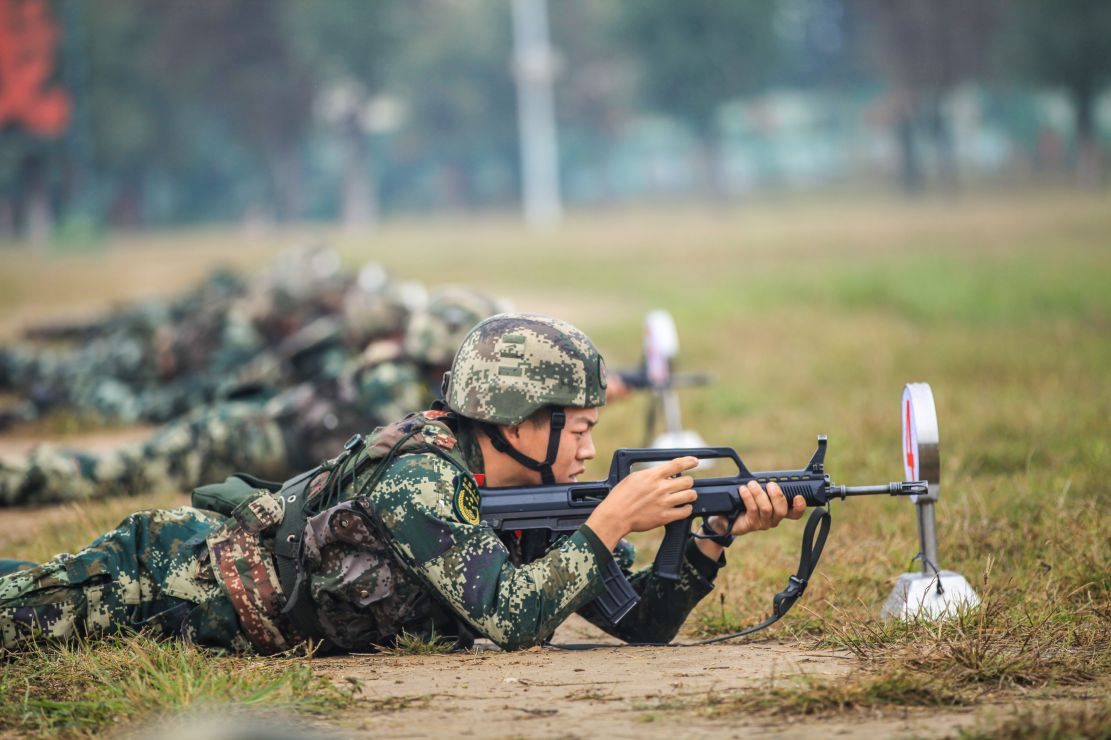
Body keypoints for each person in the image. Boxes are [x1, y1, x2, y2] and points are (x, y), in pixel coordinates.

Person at [0, 314, 802, 653]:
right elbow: (513, 621)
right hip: (161, 583)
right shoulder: (423, 476)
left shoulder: (527, 501)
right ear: (520, 422)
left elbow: (641, 627)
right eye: (581, 428)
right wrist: (611, 524)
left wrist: (703, 540)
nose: (592, 450)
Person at [0, 287, 502, 508]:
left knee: (116, 467)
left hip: (241, 429)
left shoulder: (394, 370)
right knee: (109, 473)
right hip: (227, 439)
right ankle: (18, 480)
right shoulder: (391, 385)